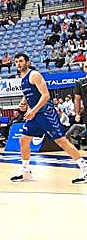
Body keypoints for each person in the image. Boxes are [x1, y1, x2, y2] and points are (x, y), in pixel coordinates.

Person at [10, 53, 87, 183]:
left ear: (27, 62)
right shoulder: (22, 78)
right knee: (24, 140)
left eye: (21, 61)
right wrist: (23, 102)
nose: (18, 64)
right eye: (16, 61)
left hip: (46, 113)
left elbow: (45, 96)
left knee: (61, 141)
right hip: (35, 115)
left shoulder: (34, 75)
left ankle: (84, 168)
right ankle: (26, 171)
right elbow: (28, 94)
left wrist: (33, 111)